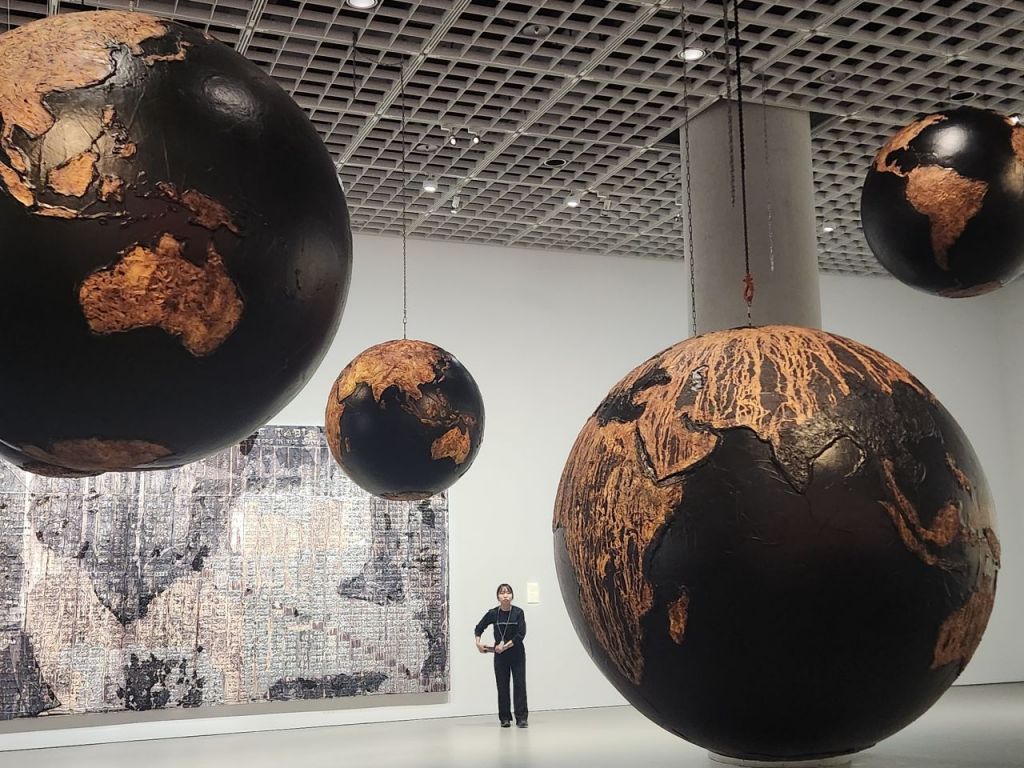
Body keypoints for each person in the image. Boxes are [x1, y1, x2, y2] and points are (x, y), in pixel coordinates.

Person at [474, 583, 528, 728]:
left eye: (508, 592)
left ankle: (521, 718)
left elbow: (521, 634)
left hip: (517, 653)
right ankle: (505, 718)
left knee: (519, 684)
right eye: (502, 592)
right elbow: (479, 627)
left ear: (512, 596)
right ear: (498, 596)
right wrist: (478, 643)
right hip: (500, 656)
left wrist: (505, 646)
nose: (505, 595)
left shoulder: (518, 612)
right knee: (502, 685)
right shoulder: (493, 613)